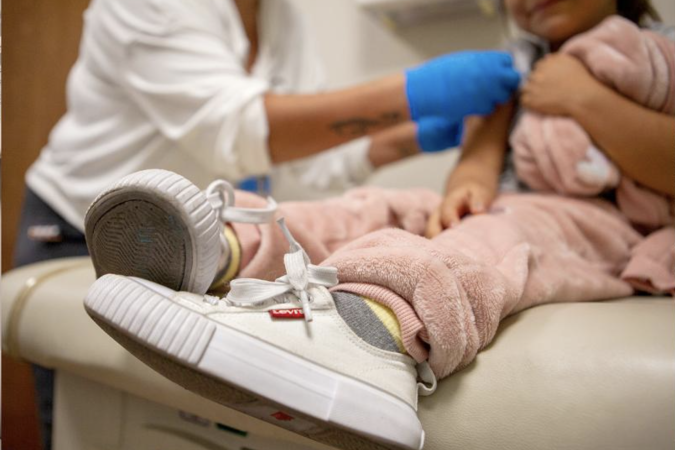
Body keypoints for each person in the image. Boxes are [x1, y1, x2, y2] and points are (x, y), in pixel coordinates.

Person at [80, 0, 675, 448]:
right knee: (375, 210)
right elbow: (478, 164)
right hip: (502, 203)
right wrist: (465, 188)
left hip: (599, 222)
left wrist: (586, 99)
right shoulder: (518, 69)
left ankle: (370, 333)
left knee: (500, 234)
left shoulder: (660, 50)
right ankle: (221, 249)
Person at [16, 1, 521, 448]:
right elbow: (235, 130)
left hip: (202, 235)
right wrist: (412, 91)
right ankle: (222, 249)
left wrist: (414, 136)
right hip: (89, 224)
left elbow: (308, 163)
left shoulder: (281, 17)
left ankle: (224, 252)